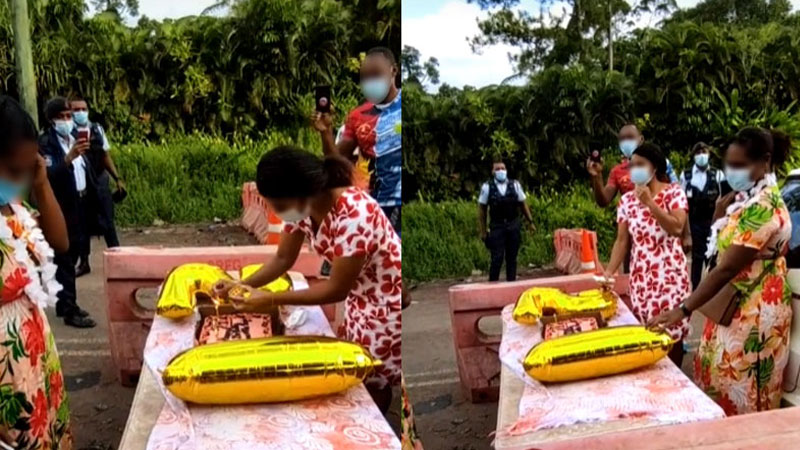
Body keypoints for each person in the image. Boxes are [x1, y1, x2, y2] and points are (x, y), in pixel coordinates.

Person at [214, 146, 401, 413]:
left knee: (371, 380)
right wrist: (242, 285)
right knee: (360, 372)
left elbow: (336, 289)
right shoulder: (302, 209)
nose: (278, 214)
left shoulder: (355, 215)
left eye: (279, 206)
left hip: (385, 305)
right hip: (360, 298)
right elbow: (282, 259)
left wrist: (270, 298)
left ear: (302, 191)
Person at [649, 128, 792, 416]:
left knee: (744, 391)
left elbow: (727, 267)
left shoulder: (764, 205)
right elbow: (719, 251)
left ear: (764, 161)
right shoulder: (746, 200)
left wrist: (683, 308)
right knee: (719, 382)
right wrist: (718, 215)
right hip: (731, 307)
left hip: (753, 313)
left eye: (740, 165)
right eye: (730, 164)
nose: (732, 171)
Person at [0, 95, 72, 448]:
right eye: (14, 170)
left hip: (34, 357)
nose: (21, 178)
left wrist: (41, 184)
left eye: (27, 168)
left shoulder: (14, 209)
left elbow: (59, 241)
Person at [604, 143, 690, 366]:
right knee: (647, 337)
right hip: (642, 279)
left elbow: (677, 228)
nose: (634, 170)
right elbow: (622, 241)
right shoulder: (626, 201)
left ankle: (677, 383)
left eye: (640, 164)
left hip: (670, 279)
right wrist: (608, 273)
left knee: (672, 336)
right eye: (631, 165)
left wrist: (650, 203)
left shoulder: (673, 193)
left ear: (655, 167)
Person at [312, 47, 401, 236]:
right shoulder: (357, 116)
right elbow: (336, 162)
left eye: (376, 74)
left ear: (394, 71)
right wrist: (326, 131)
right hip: (372, 205)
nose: (370, 82)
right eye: (365, 77)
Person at [39, 97, 97, 328]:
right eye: (61, 117)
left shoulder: (75, 139)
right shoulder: (46, 143)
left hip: (79, 204)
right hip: (60, 207)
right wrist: (68, 158)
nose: (67, 120)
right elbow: (46, 175)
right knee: (64, 257)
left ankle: (65, 302)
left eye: (69, 116)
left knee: (74, 254)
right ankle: (70, 309)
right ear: (51, 120)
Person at [71, 96, 125, 277]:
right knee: (82, 224)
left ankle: (118, 260)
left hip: (100, 180)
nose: (80, 113)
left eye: (83, 109)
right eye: (76, 110)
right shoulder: (68, 133)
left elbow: (105, 155)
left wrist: (117, 178)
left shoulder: (97, 129)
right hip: (81, 183)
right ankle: (84, 262)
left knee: (108, 222)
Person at [587, 123, 678, 208]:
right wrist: (597, 175)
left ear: (641, 139)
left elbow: (677, 193)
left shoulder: (658, 162)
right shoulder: (617, 171)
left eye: (630, 137)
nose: (626, 141)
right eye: (622, 139)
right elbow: (603, 201)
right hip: (632, 220)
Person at [680, 142, 727, 289]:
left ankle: (711, 290)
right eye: (698, 152)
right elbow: (682, 203)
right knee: (697, 257)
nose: (701, 155)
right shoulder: (686, 175)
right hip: (694, 221)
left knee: (712, 256)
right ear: (694, 156)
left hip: (713, 222)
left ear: (709, 154)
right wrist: (685, 232)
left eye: (704, 152)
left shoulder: (718, 174)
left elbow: (725, 198)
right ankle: (695, 289)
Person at [478, 160, 535, 282]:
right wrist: (483, 231)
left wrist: (530, 221)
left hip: (513, 224)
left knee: (512, 257)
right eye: (497, 169)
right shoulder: (487, 187)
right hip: (497, 226)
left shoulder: (515, 185)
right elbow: (482, 210)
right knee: (497, 258)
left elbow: (523, 204)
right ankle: (492, 285)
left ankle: (511, 285)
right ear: (493, 171)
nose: (500, 171)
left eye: (503, 168)